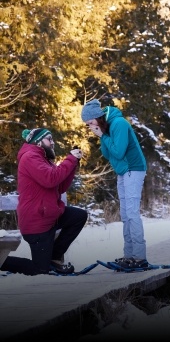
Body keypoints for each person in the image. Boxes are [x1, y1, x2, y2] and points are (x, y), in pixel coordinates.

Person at [0, 128, 87, 275]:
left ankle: (53, 257)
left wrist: (73, 164)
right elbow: (50, 179)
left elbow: (60, 187)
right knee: (40, 270)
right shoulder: (30, 157)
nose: (52, 143)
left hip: (50, 217)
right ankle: (3, 262)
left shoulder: (43, 159)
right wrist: (70, 159)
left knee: (79, 216)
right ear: (38, 142)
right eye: (49, 139)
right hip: (37, 223)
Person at [81, 99, 148, 270]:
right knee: (125, 214)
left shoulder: (119, 123)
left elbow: (118, 152)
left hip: (133, 168)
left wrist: (103, 136)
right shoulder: (107, 127)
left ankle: (139, 257)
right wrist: (102, 135)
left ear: (97, 116)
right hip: (122, 171)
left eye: (90, 122)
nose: (89, 126)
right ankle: (129, 255)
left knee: (132, 213)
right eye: (87, 124)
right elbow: (106, 153)